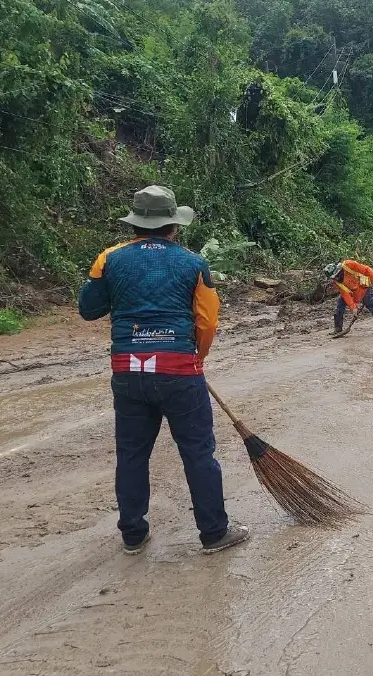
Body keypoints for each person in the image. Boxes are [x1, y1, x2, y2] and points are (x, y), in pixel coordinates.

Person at [78, 185, 249, 556]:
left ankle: (133, 535)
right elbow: (206, 322)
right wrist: (197, 358)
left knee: (132, 453)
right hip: (179, 372)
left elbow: (88, 309)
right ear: (174, 226)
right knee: (198, 453)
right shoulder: (192, 263)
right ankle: (214, 534)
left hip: (128, 371)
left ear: (136, 225)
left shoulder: (108, 258)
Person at [328, 259, 373, 336]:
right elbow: (345, 294)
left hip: (363, 288)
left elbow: (366, 269)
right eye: (334, 277)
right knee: (340, 306)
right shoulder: (336, 282)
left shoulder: (349, 265)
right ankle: (338, 328)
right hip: (353, 293)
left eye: (337, 275)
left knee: (371, 306)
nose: (336, 278)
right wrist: (353, 308)